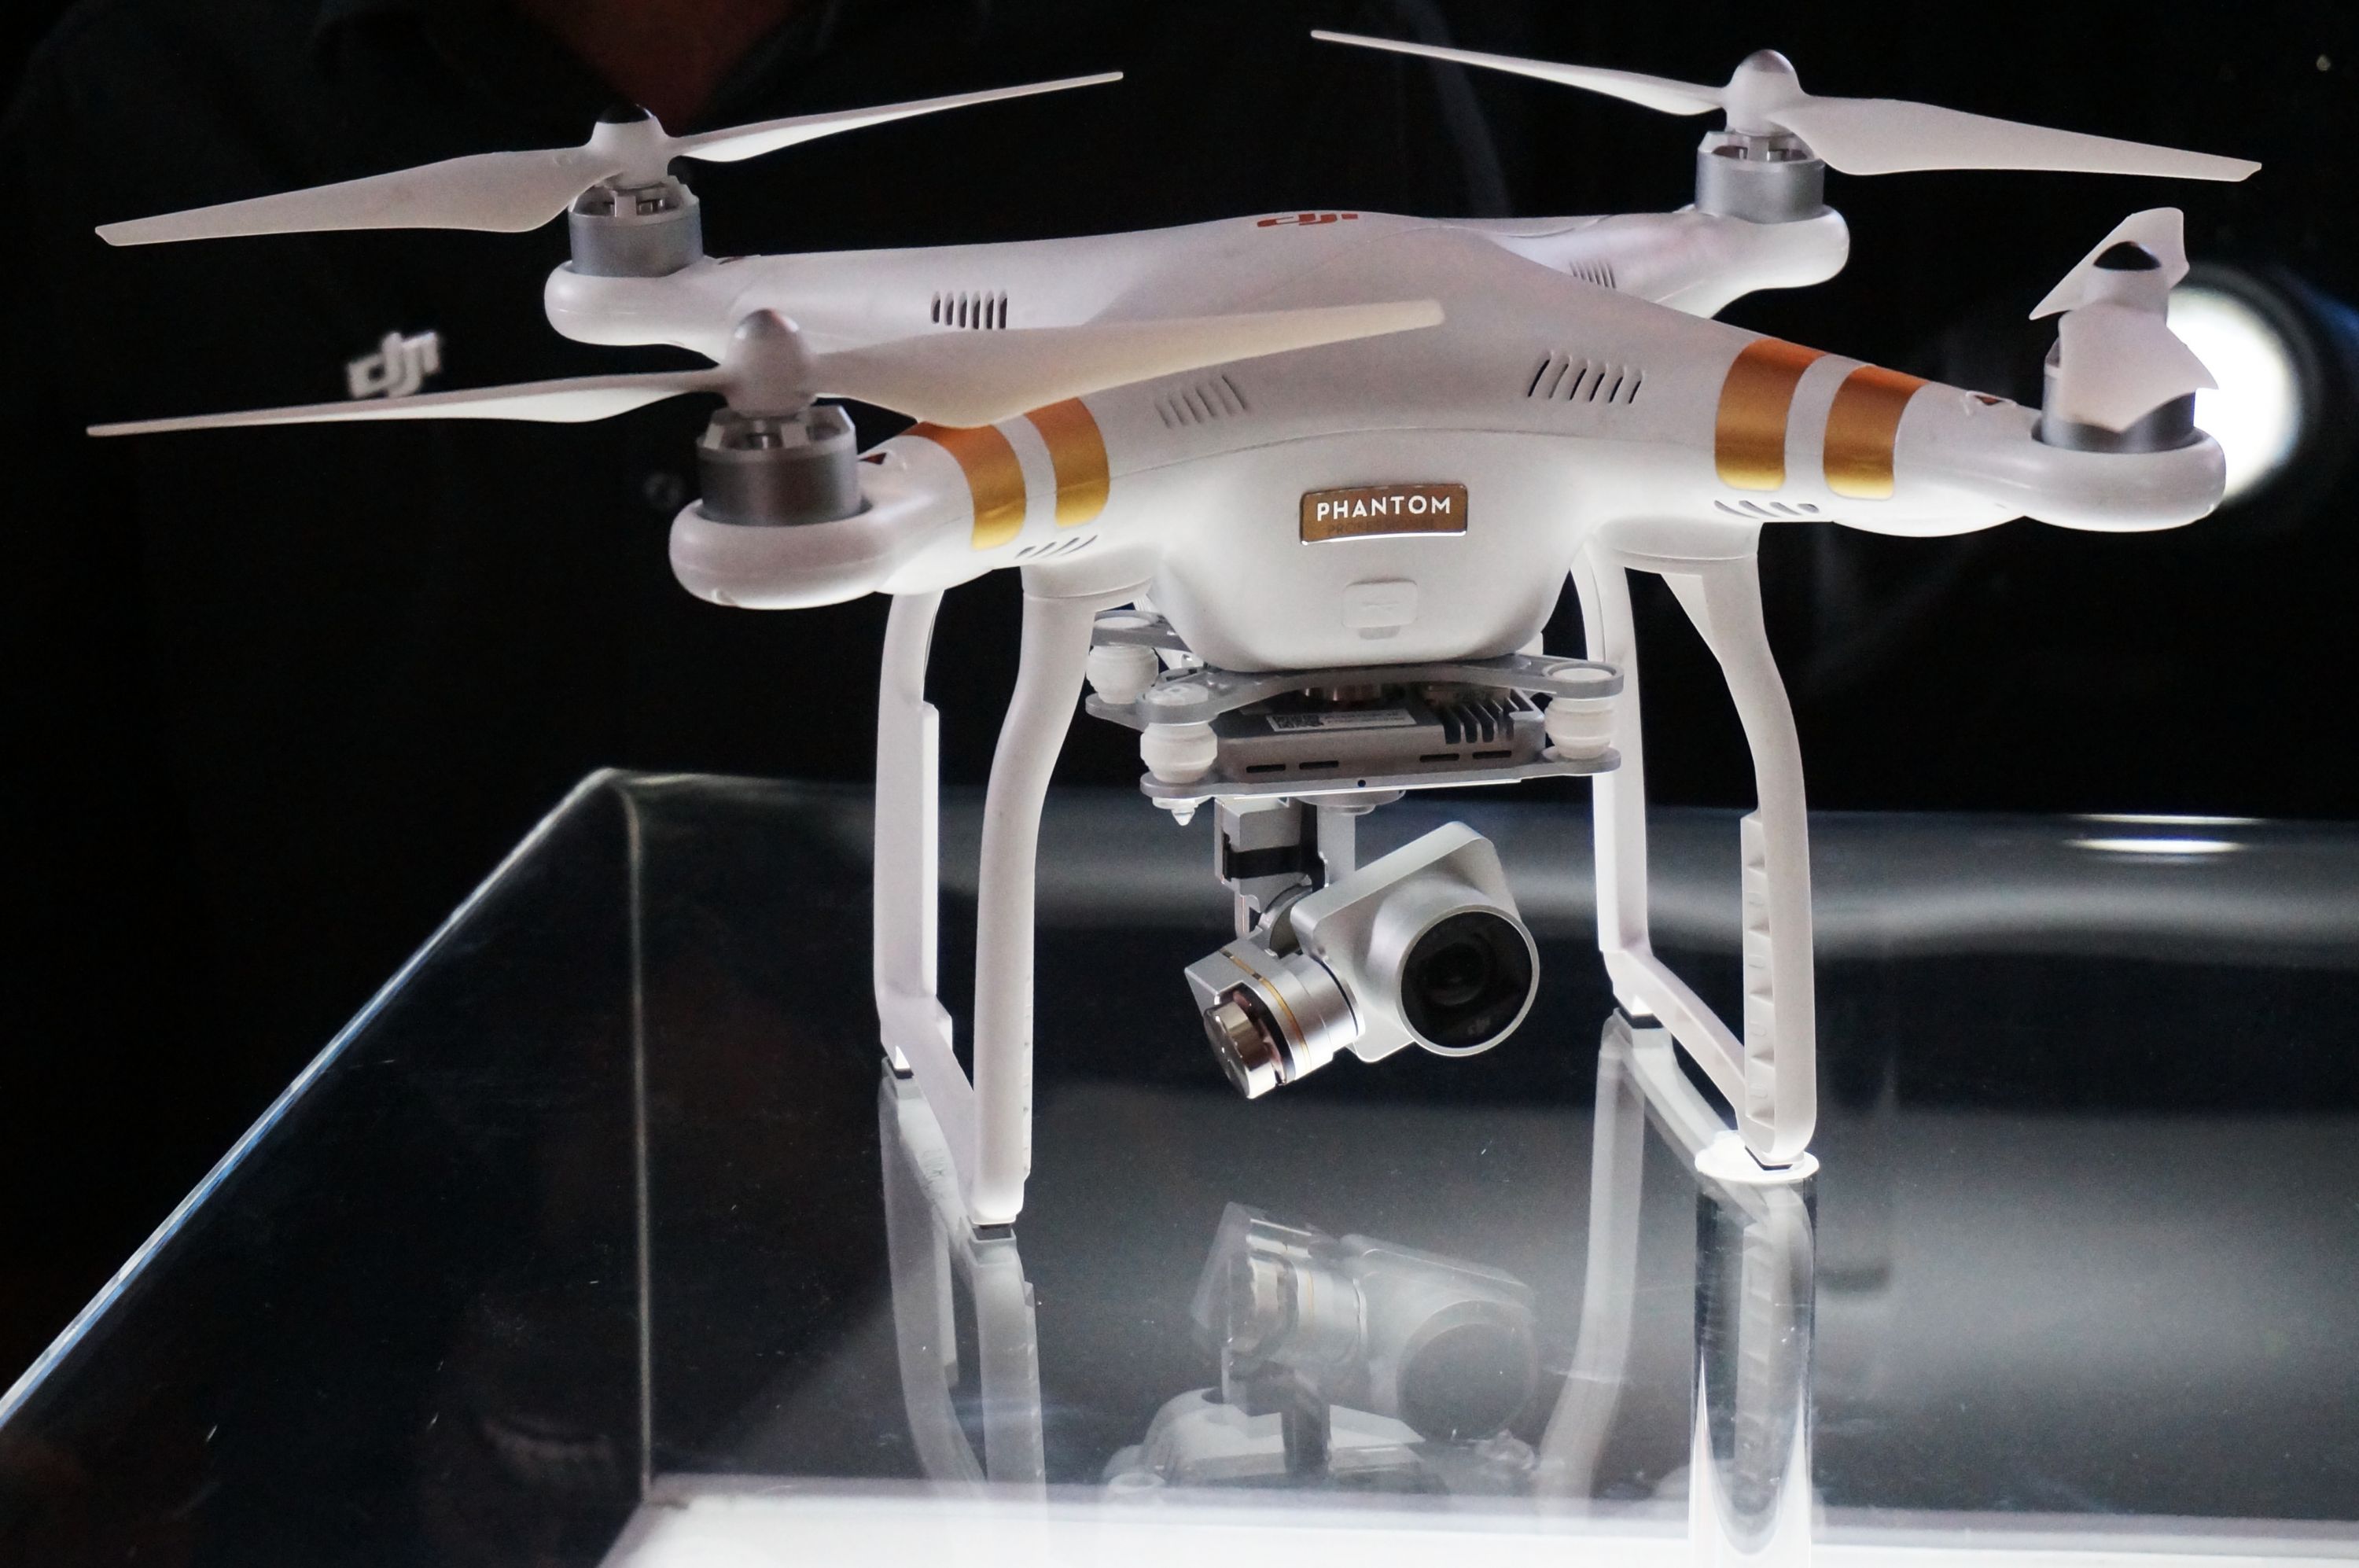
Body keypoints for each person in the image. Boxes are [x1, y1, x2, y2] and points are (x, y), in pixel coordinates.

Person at [0, 0, 1522, 1386]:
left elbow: (1515, 794)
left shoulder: (1281, 61)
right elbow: (58, 840)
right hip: (342, 1346)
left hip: (1152, 1332)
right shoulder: (149, 110)